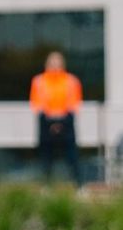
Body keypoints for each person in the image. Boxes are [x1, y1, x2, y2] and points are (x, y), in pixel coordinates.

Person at [30, 51, 83, 184]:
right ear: (46, 64)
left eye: (57, 62)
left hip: (66, 121)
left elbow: (74, 103)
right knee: (46, 156)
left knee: (72, 156)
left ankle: (78, 185)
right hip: (46, 122)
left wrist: (62, 120)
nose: (54, 65)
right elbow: (36, 103)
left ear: (63, 64)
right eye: (52, 62)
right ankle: (46, 185)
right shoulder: (38, 81)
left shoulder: (72, 81)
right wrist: (50, 120)